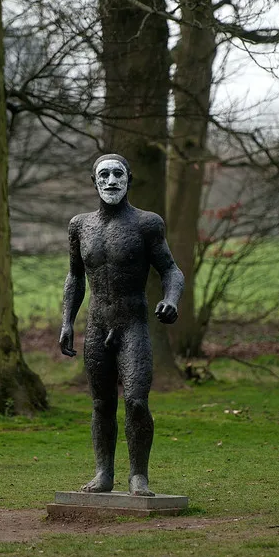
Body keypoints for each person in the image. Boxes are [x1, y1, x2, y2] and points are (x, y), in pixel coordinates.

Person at [59, 154, 184, 496]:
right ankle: (103, 473)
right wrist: (67, 321)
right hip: (97, 325)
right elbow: (74, 277)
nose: (111, 180)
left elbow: (171, 270)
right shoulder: (80, 225)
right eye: (104, 175)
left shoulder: (147, 223)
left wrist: (171, 300)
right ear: (94, 181)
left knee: (136, 401)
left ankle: (138, 475)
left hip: (133, 324)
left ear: (129, 178)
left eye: (118, 174)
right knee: (101, 404)